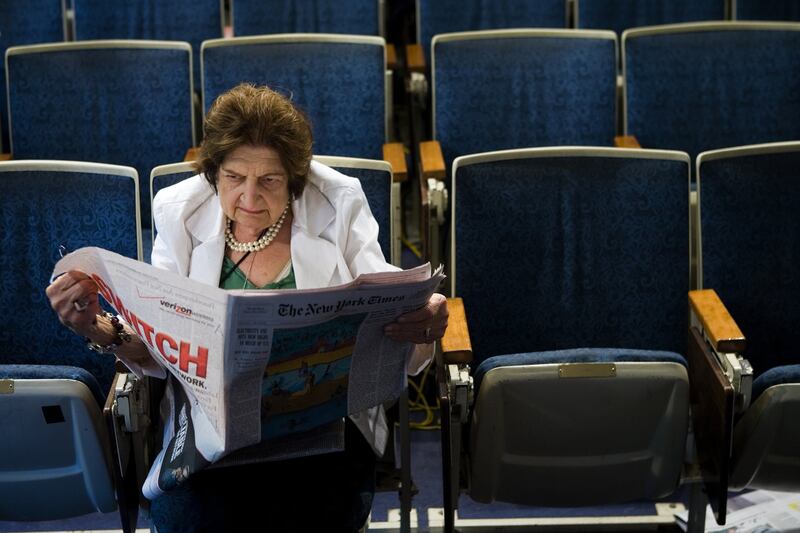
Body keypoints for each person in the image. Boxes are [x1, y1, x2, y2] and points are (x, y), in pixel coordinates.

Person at [46, 83, 448, 532]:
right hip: (212, 434)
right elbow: (156, 343)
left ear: (295, 182)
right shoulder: (177, 212)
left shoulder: (340, 202)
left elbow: (389, 306)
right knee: (196, 518)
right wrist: (94, 326)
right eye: (235, 178)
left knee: (313, 511)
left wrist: (424, 318)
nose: (251, 198)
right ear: (214, 174)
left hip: (323, 432)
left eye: (270, 180)